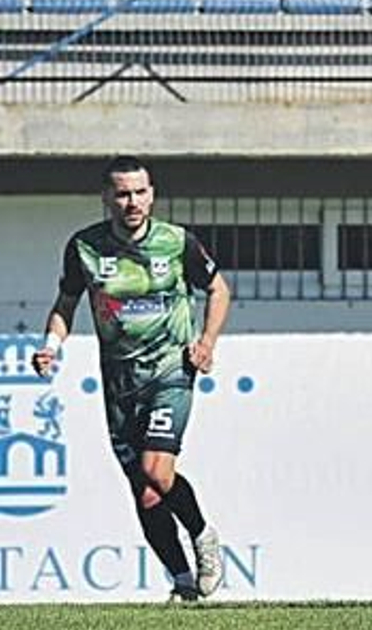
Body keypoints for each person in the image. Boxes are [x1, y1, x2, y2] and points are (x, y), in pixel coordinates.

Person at [30, 156, 231, 603]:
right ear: (107, 198)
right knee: (145, 493)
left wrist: (207, 342)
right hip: (119, 381)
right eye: (122, 194)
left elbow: (219, 289)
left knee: (156, 470)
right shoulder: (84, 247)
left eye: (140, 192)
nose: (132, 202)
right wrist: (51, 346)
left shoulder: (177, 243)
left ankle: (203, 535)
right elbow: (66, 304)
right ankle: (183, 582)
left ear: (152, 194)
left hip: (170, 371)